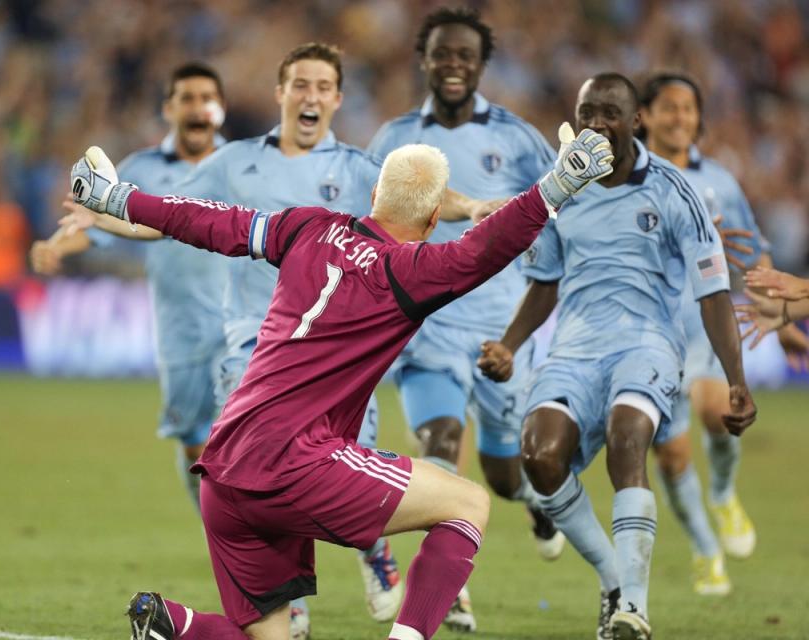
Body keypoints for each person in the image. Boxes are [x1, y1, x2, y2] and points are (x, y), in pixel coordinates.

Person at [63, 124, 613, 640]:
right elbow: (486, 247)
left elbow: (213, 222)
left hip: (226, 466)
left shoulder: (307, 226)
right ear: (430, 221)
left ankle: (171, 624)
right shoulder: (412, 272)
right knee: (467, 505)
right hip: (296, 462)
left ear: (375, 192)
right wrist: (559, 184)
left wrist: (118, 198)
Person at [164, 42, 498, 634]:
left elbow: (197, 220)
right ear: (282, 92)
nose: (310, 95)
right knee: (457, 500)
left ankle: (179, 623)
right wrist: (549, 193)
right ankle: (379, 558)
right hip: (271, 389)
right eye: (300, 84)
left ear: (337, 98)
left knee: (273, 619)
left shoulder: (327, 202)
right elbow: (188, 210)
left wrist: (118, 200)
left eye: (323, 85)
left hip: (241, 442)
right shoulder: (241, 162)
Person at [478, 73, 757, 640]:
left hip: (647, 343)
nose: (597, 124)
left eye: (610, 113)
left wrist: (735, 378)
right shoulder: (560, 188)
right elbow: (544, 282)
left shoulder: (674, 189)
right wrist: (510, 344)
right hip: (575, 347)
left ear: (636, 122)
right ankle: (612, 580)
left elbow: (712, 291)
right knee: (538, 456)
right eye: (588, 114)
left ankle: (634, 607)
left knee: (629, 439)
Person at [368, 11, 563, 631]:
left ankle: (535, 502)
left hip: (499, 330)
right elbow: (367, 222)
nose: (453, 65)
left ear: (482, 65)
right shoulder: (393, 140)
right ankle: (448, 588)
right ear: (423, 60)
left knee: (505, 474)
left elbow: (554, 213)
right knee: (440, 443)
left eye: (466, 56)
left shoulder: (520, 139)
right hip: (427, 328)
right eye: (442, 55)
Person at [29, 62, 228, 513]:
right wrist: (58, 246)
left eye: (207, 99)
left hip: (242, 326)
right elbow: (97, 222)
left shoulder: (242, 165)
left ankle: (245, 544)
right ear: (169, 109)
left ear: (221, 109)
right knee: (196, 446)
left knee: (243, 445)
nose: (198, 108)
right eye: (188, 99)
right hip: (180, 329)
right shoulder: (141, 167)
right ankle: (214, 525)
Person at [638, 72, 809, 594]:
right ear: (643, 115)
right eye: (669, 108)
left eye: (689, 109)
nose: (680, 118)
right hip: (646, 330)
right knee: (671, 456)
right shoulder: (628, 177)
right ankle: (704, 549)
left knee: (720, 412)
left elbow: (751, 252)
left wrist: (777, 315)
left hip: (705, 325)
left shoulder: (721, 182)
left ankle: (724, 493)